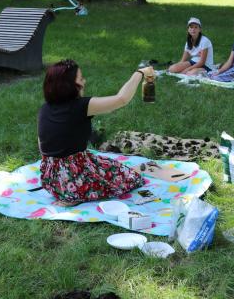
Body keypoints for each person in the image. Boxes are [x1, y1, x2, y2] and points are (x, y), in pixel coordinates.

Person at [37, 60, 154, 206]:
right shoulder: (80, 106)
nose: (84, 81)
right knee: (130, 178)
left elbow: (42, 144)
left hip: (50, 178)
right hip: (74, 179)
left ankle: (68, 191)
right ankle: (74, 194)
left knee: (110, 166)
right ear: (69, 86)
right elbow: (121, 99)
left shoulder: (45, 108)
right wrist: (140, 73)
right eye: (80, 79)